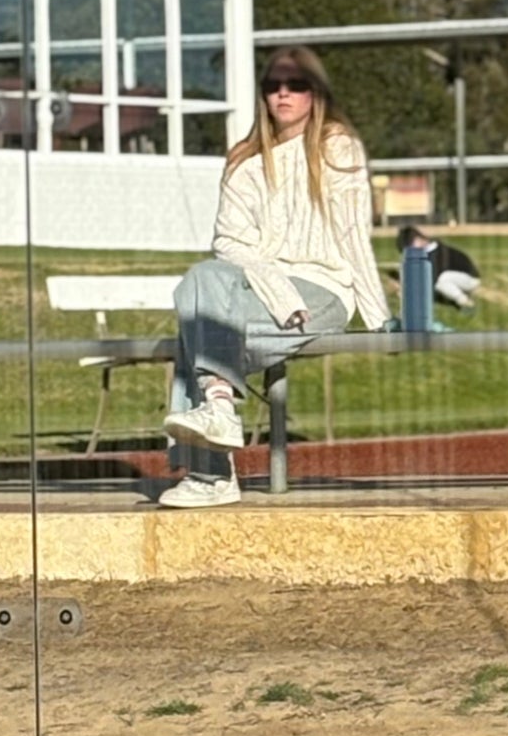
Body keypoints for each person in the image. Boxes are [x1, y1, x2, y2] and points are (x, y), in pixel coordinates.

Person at [160, 46, 390, 508]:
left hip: (322, 293)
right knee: (202, 280)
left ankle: (211, 475)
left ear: (315, 92)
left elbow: (352, 235)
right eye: (273, 85)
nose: (283, 94)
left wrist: (378, 315)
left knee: (197, 329)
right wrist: (272, 282)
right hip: (259, 289)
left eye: (296, 84)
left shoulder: (337, 147)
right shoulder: (244, 160)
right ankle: (220, 407)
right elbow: (229, 242)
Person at [397, 224, 483, 312]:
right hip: (455, 278)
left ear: (419, 239)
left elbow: (432, 278)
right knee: (441, 280)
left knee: (442, 280)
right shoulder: (428, 252)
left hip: (470, 279)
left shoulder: (437, 253)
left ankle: (465, 302)